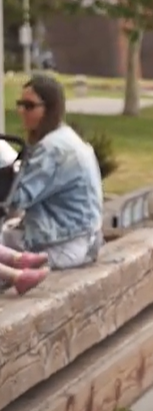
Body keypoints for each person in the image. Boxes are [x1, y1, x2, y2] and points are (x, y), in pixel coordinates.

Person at [2, 74, 103, 282]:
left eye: (29, 106)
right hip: (82, 239)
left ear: (50, 108)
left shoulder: (54, 149)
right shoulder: (65, 138)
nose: (21, 111)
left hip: (64, 246)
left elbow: (15, 198)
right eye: (20, 104)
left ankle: (17, 277)